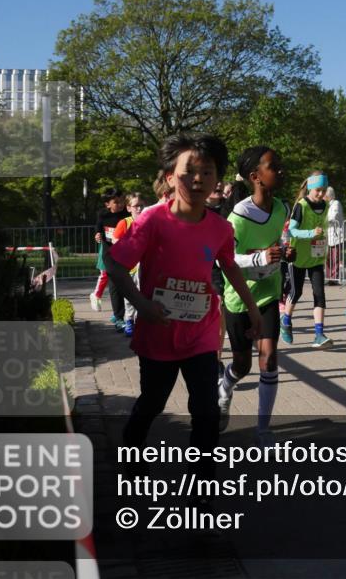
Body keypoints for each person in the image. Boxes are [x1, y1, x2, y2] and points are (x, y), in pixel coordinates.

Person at [105, 134, 263, 491]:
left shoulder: (220, 227)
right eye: (188, 171)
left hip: (201, 332)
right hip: (158, 333)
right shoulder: (151, 220)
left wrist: (251, 309)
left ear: (217, 179)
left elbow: (230, 267)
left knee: (205, 410)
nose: (197, 179)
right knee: (152, 403)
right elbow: (115, 265)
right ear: (169, 175)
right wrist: (142, 304)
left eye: (206, 172)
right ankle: (131, 465)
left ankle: (202, 485)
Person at [217, 146, 294, 441]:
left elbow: (278, 242)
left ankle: (264, 430)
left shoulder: (281, 208)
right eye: (274, 166)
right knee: (242, 364)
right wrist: (258, 259)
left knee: (269, 360)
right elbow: (224, 260)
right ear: (255, 177)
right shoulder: (238, 216)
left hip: (268, 294)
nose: (281, 170)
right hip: (239, 298)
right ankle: (225, 388)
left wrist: (284, 252)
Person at [282, 171, 332, 348]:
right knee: (296, 293)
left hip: (317, 257)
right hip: (298, 257)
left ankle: (319, 334)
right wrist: (311, 233)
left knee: (320, 294)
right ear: (310, 188)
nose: (321, 193)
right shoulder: (301, 206)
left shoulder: (326, 205)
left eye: (324, 190)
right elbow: (292, 231)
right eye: (318, 190)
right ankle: (286, 321)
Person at [110, 192, 150, 337]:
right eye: (135, 206)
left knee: (144, 294)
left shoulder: (149, 221)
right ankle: (129, 320)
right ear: (128, 208)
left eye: (141, 205)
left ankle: (141, 322)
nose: (139, 209)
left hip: (145, 265)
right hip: (129, 266)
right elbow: (115, 240)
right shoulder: (124, 223)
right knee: (130, 296)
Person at [94, 188, 129, 329]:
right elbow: (98, 228)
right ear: (107, 204)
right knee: (114, 285)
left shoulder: (127, 215)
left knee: (127, 284)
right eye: (116, 202)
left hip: (126, 254)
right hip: (109, 254)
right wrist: (97, 234)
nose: (120, 204)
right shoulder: (103, 215)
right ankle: (119, 316)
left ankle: (129, 315)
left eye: (121, 201)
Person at [325, 186, 344, 285]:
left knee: (335, 258)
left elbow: (333, 217)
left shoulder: (336, 203)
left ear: (329, 195)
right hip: (328, 235)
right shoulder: (326, 205)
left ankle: (334, 278)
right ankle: (329, 277)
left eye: (324, 194)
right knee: (328, 258)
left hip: (336, 235)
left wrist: (322, 220)